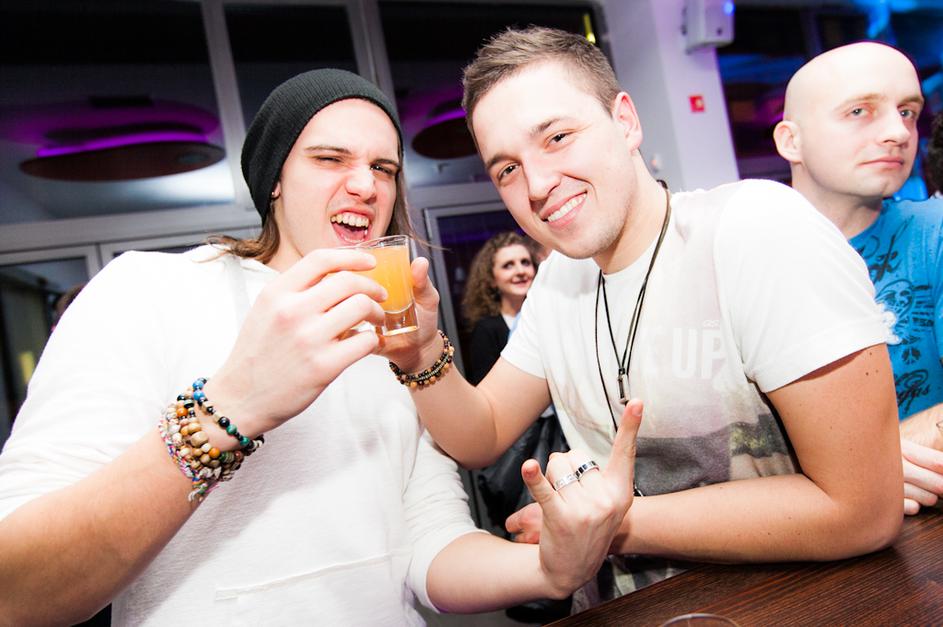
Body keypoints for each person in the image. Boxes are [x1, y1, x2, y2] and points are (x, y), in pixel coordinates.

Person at [0, 68, 642, 625]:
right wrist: (231, 408)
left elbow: (427, 545)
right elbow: (19, 590)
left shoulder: (392, 324)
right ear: (274, 178)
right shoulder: (148, 290)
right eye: (331, 159)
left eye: (384, 168)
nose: (366, 185)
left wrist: (548, 569)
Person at [381, 26, 903, 610]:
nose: (537, 185)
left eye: (557, 137)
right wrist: (420, 353)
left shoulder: (754, 231)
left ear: (625, 121)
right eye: (507, 169)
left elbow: (862, 510)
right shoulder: (558, 282)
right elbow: (482, 433)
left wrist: (610, 526)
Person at [773, 43, 943, 515]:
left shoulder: (934, 231)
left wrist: (852, 475)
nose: (898, 133)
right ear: (791, 142)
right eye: (859, 111)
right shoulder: (741, 259)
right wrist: (859, 478)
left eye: (908, 113)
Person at [461, 231, 570, 622]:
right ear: (491, 279)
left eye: (525, 262)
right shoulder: (488, 329)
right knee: (529, 524)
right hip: (520, 446)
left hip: (560, 439)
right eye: (508, 265)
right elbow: (488, 399)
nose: (520, 270)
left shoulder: (556, 312)